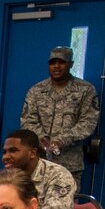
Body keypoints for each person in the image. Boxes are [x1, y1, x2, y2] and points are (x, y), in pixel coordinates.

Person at [18, 47, 99, 178]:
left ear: (71, 64)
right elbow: (28, 120)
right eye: (52, 62)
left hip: (69, 164)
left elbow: (88, 123)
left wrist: (61, 141)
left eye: (61, 62)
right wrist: (43, 140)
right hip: (38, 162)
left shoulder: (85, 90)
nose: (56, 66)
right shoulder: (36, 90)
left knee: (68, 198)